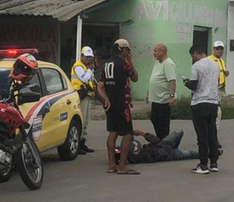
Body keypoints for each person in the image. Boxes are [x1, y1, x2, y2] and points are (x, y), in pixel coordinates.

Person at [97, 39, 139, 175]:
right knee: (128, 134)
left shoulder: (106, 64)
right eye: (127, 50)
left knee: (113, 132)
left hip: (110, 104)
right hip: (122, 103)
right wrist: (130, 61)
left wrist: (106, 99)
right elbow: (135, 78)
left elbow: (100, 87)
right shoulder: (123, 63)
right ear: (123, 50)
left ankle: (111, 165)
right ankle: (122, 165)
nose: (128, 52)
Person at [185, 45, 221, 174]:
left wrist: (186, 83)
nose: (193, 59)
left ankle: (203, 165)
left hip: (200, 102)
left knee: (202, 135)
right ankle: (214, 163)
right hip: (213, 102)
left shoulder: (197, 66)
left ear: (196, 53)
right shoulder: (215, 65)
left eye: (192, 56)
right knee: (212, 133)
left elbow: (194, 85)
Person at [69, 46, 98, 154]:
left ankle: (82, 142)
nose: (89, 59)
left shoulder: (86, 67)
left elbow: (90, 80)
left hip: (87, 96)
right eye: (86, 57)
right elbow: (85, 79)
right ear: (81, 56)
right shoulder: (78, 66)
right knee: (82, 119)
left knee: (86, 120)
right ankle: (78, 145)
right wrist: (90, 69)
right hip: (81, 96)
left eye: (90, 57)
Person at [115, 129, 199, 164]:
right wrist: (143, 134)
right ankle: (206, 154)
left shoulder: (131, 150)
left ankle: (175, 147)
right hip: (168, 153)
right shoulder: (137, 156)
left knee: (179, 132)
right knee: (189, 153)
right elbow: (156, 141)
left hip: (165, 144)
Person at [147, 43, 177, 138]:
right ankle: (159, 140)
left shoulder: (168, 64)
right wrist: (149, 93)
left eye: (155, 51)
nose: (154, 53)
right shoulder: (157, 62)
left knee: (163, 124)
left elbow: (172, 81)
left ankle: (164, 145)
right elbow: (153, 78)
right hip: (156, 99)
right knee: (154, 119)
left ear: (162, 51)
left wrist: (171, 97)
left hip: (163, 100)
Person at [210, 40, 229, 153]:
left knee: (216, 115)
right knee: (216, 115)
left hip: (220, 90)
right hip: (213, 91)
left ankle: (213, 137)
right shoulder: (210, 60)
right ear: (213, 49)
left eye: (221, 48)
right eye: (217, 48)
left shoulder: (222, 61)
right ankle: (213, 139)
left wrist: (225, 73)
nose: (219, 50)